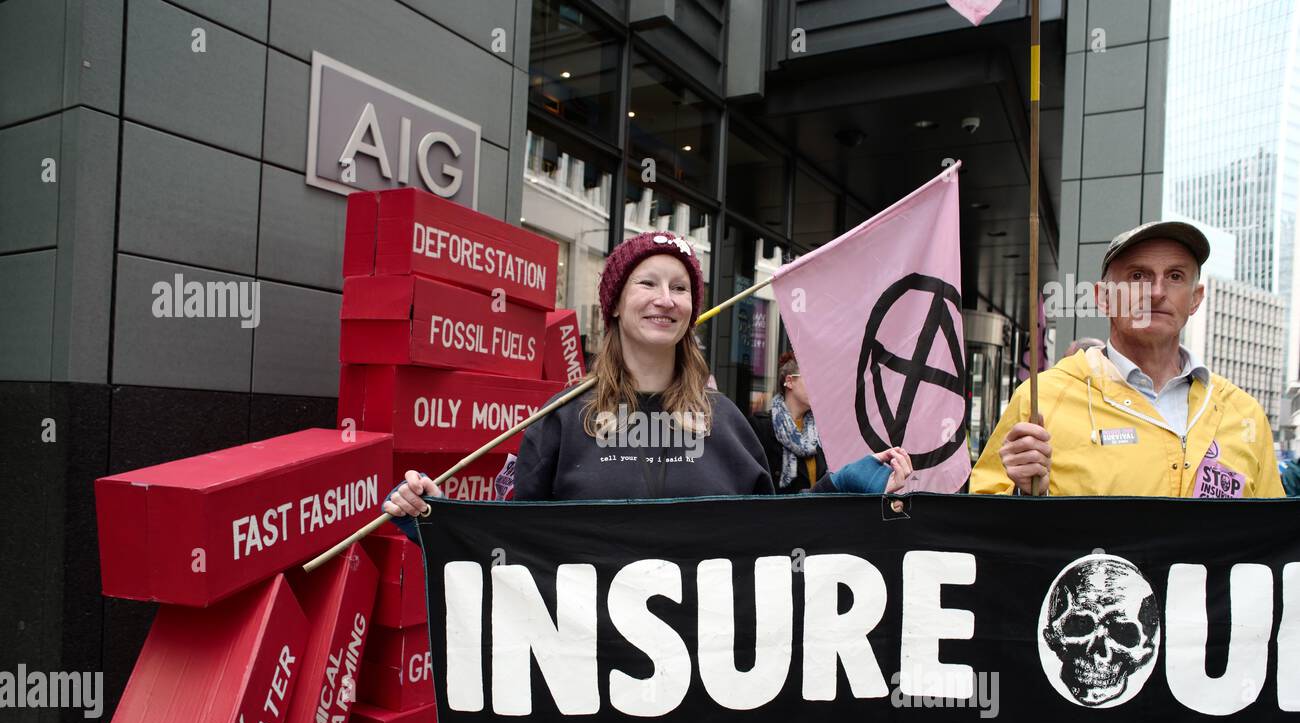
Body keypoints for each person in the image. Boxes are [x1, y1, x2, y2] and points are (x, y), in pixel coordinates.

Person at [385, 231, 913, 526]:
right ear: (614, 304)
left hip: (708, 689)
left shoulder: (726, 423)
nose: (665, 300)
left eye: (679, 288)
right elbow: (507, 541)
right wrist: (434, 517)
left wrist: (845, 486)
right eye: (648, 283)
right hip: (584, 687)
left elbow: (774, 539)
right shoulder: (563, 419)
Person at [971, 221, 1283, 497]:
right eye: (1137, 276)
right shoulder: (1041, 399)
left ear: (1195, 298)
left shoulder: (1244, 414)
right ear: (1103, 297)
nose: (1157, 292)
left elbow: (1272, 539)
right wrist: (1019, 494)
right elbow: (984, 526)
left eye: (1175, 276)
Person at [750, 352, 828, 494]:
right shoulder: (762, 427)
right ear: (789, 381)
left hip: (817, 512)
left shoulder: (820, 429)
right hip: (780, 513)